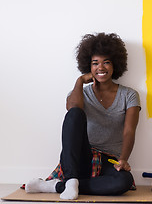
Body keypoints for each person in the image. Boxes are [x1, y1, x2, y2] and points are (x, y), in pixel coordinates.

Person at [25, 33, 141, 200]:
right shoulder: (80, 92)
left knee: (124, 181)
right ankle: (71, 180)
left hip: (109, 160)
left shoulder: (129, 95)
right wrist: (79, 81)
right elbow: (72, 112)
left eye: (106, 62)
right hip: (80, 157)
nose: (101, 67)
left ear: (115, 64)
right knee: (75, 113)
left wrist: (123, 159)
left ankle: (56, 186)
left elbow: (129, 130)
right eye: (95, 63)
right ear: (88, 66)